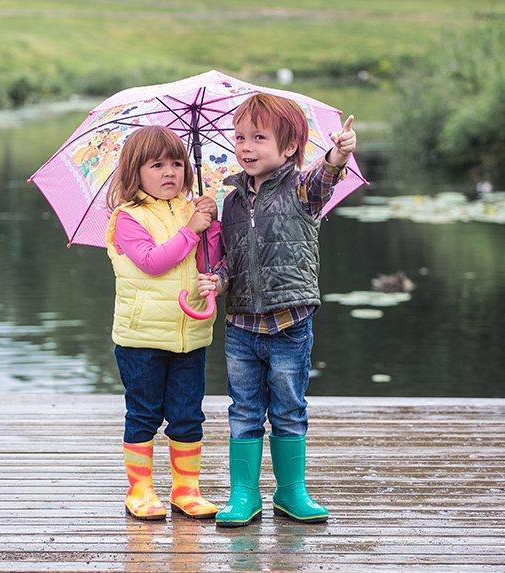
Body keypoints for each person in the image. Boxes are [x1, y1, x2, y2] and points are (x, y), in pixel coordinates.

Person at [196, 93, 357, 527]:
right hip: (241, 325)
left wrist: (338, 155)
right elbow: (229, 259)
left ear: (288, 148)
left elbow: (325, 178)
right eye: (240, 136)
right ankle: (244, 495)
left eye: (258, 138)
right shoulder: (229, 202)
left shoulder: (302, 189)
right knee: (244, 409)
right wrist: (218, 279)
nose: (245, 146)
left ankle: (291, 492)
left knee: (288, 407)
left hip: (290, 323)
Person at [104, 125, 222, 520]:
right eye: (157, 164)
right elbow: (153, 263)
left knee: (188, 413)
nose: (170, 171)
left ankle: (185, 489)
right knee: (144, 412)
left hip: (190, 334)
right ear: (135, 171)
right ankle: (139, 490)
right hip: (142, 338)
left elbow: (207, 261)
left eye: (177, 163)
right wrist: (191, 230)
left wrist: (212, 225)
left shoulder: (193, 211)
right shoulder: (128, 217)